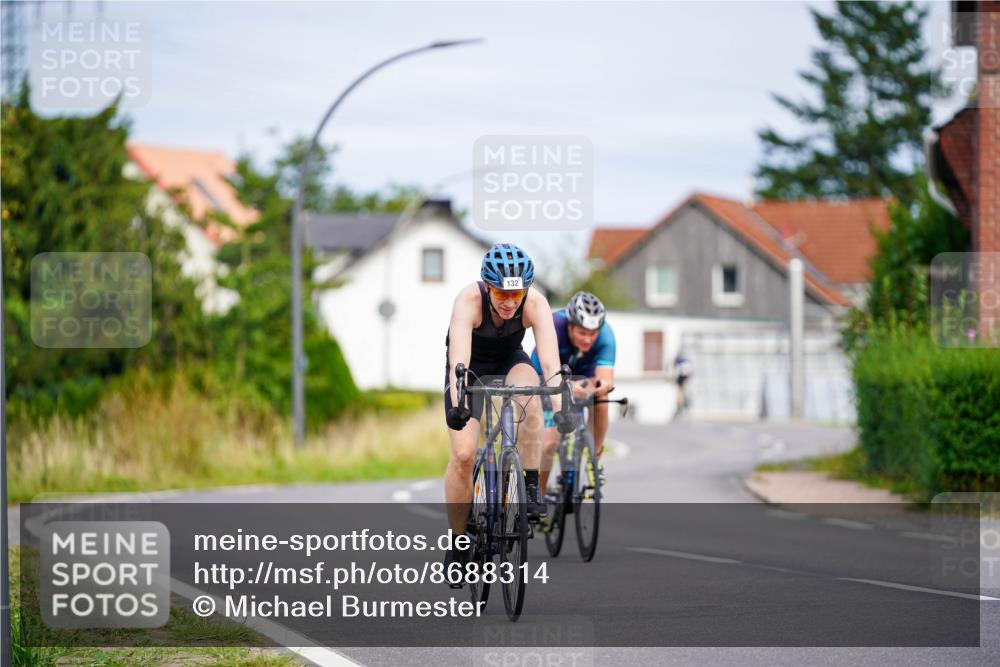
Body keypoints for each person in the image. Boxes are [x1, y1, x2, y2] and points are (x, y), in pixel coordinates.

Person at [442, 243, 566, 577]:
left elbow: (551, 363)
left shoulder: (536, 303)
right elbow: (459, 361)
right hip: (469, 369)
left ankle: (528, 485)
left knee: (532, 398)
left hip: (511, 359)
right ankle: (458, 542)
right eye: (501, 294)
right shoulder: (469, 300)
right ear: (487, 286)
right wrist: (457, 403)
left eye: (517, 295)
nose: (510, 303)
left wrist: (561, 408)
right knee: (464, 455)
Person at [530, 291, 616, 494]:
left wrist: (595, 387)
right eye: (582, 333)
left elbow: (605, 379)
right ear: (570, 326)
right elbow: (542, 373)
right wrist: (565, 388)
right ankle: (537, 498)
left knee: (602, 397)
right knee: (550, 442)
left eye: (592, 334)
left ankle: (594, 457)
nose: (588, 339)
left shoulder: (606, 335)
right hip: (547, 375)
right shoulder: (554, 327)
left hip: (583, 376)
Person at [673, 351, 693, 419]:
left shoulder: (678, 360)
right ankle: (681, 408)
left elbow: (677, 369)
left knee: (680, 393)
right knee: (681, 392)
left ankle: (681, 408)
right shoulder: (685, 360)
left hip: (683, 374)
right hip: (685, 374)